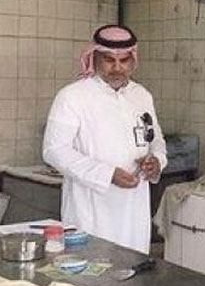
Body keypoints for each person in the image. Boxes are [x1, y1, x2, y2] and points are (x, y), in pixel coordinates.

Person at [43, 24, 167, 254]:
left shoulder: (141, 95)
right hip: (91, 210)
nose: (117, 68)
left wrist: (157, 161)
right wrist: (107, 174)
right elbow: (54, 150)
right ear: (95, 58)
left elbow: (155, 140)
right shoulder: (73, 96)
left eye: (124, 60)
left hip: (134, 209)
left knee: (132, 265)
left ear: (133, 60)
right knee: (92, 266)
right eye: (109, 60)